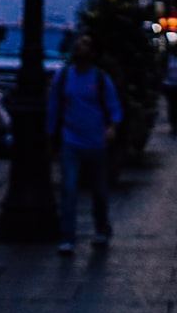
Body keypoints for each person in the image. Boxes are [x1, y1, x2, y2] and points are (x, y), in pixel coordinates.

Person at [45, 34, 122, 255]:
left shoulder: (99, 78)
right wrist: (51, 138)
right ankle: (67, 236)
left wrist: (112, 127)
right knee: (69, 188)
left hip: (96, 142)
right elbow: (54, 108)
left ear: (93, 53)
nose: (80, 47)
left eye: (86, 44)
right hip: (71, 141)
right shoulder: (63, 77)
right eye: (79, 44)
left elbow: (113, 106)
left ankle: (101, 228)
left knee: (98, 189)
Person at [162, 44, 177, 136]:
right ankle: (173, 125)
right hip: (169, 85)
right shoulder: (168, 58)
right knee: (172, 105)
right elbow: (163, 70)